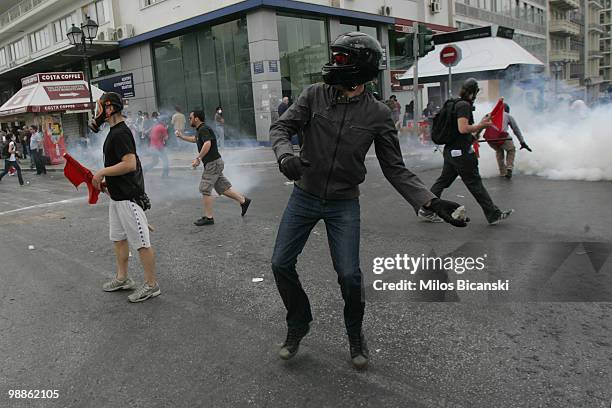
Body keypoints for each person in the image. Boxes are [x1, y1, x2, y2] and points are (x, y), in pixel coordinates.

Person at [269, 32, 468, 370]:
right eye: (335, 56)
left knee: (349, 276)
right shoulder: (314, 95)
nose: (335, 64)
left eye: (343, 59)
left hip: (344, 203)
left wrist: (433, 202)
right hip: (304, 195)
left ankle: (355, 334)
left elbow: (396, 169)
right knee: (280, 263)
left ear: (361, 68)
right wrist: (285, 156)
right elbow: (281, 128)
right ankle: (298, 323)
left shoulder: (377, 114)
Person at [89, 92, 161, 303]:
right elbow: (121, 166)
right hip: (117, 198)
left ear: (109, 109)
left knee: (141, 243)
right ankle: (123, 279)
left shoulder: (120, 133)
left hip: (129, 199)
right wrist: (107, 185)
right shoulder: (114, 132)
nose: (98, 112)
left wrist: (102, 172)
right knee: (119, 240)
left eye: (101, 107)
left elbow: (129, 164)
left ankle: (151, 285)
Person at [419, 78, 514, 225]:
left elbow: (464, 133)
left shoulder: (455, 103)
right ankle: (493, 214)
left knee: (443, 181)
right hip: (461, 154)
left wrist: (481, 126)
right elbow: (463, 128)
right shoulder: (464, 106)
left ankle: (426, 209)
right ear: (473, 92)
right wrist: (480, 125)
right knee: (474, 183)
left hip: (451, 152)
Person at [175, 110, 251, 226]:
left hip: (212, 163)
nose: (189, 120)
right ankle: (243, 201)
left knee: (205, 188)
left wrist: (198, 158)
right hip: (215, 163)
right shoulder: (200, 130)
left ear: (196, 118)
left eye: (190, 118)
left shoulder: (204, 129)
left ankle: (208, 218)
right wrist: (182, 137)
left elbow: (207, 144)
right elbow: (195, 139)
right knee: (222, 187)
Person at [494, 103, 532, 179]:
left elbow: (481, 125)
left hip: (491, 138)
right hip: (502, 136)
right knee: (511, 149)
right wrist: (522, 142)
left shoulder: (490, 114)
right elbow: (516, 130)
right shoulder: (508, 116)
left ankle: (502, 172)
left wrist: (475, 137)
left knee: (499, 150)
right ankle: (509, 168)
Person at [143, 112, 169, 177]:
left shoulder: (155, 126)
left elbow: (150, 136)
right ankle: (165, 175)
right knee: (166, 161)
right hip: (159, 147)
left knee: (155, 162)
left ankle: (145, 168)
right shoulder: (162, 128)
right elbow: (166, 138)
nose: (166, 122)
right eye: (165, 121)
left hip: (153, 147)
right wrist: (166, 129)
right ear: (163, 121)